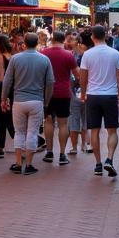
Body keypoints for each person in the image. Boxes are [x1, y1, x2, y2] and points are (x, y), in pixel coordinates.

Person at [1, 32, 53, 175]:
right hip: (37, 100)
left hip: (19, 100)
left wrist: (3, 98)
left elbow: (7, 81)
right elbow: (50, 83)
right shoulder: (44, 60)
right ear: (37, 43)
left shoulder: (15, 59)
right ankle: (29, 164)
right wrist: (46, 102)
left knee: (19, 132)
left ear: (24, 43)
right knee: (32, 133)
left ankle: (18, 163)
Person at [79, 24, 119, 177]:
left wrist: (83, 94)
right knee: (112, 130)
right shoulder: (115, 54)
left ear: (92, 37)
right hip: (110, 95)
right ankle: (109, 159)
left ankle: (98, 163)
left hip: (93, 95)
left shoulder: (87, 54)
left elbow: (83, 78)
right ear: (105, 36)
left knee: (95, 130)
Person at [41, 29, 79, 165]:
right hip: (64, 92)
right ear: (63, 40)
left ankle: (49, 152)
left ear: (52, 39)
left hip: (48, 93)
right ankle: (62, 154)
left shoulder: (43, 53)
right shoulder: (68, 55)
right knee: (63, 123)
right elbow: (77, 74)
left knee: (49, 121)